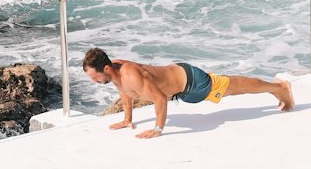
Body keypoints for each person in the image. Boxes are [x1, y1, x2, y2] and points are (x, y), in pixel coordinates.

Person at [81, 47, 294, 139]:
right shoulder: (116, 71)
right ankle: (275, 88)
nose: (94, 81)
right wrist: (127, 119)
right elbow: (124, 92)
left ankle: (279, 88)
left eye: (94, 77)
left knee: (235, 87)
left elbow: (159, 99)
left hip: (192, 83)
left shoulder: (130, 75)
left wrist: (157, 129)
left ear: (106, 69)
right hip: (181, 86)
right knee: (233, 87)